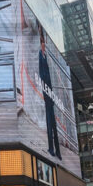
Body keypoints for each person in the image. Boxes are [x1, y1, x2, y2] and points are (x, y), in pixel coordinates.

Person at [38, 25, 60, 159]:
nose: (44, 46)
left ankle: (57, 150)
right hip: (47, 93)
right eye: (43, 44)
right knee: (49, 121)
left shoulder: (46, 57)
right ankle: (52, 149)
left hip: (50, 93)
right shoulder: (41, 56)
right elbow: (42, 75)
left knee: (53, 123)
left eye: (44, 44)